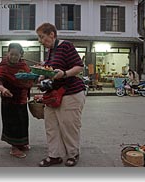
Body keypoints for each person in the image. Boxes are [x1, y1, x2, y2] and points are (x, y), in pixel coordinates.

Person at [36, 23, 86, 167]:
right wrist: (42, 75)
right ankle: (54, 155)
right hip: (53, 94)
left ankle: (73, 154)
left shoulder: (66, 46)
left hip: (71, 92)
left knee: (69, 126)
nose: (40, 41)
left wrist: (64, 74)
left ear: (52, 34)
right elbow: (51, 70)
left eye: (42, 37)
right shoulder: (50, 51)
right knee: (51, 126)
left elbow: (79, 67)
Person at [0, 43, 33, 158]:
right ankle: (14, 148)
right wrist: (2, 88)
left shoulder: (23, 65)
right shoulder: (4, 66)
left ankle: (22, 143)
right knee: (13, 124)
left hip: (22, 98)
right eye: (12, 54)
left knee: (23, 122)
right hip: (9, 99)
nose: (14, 57)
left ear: (21, 55)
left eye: (17, 55)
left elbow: (29, 77)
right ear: (8, 53)